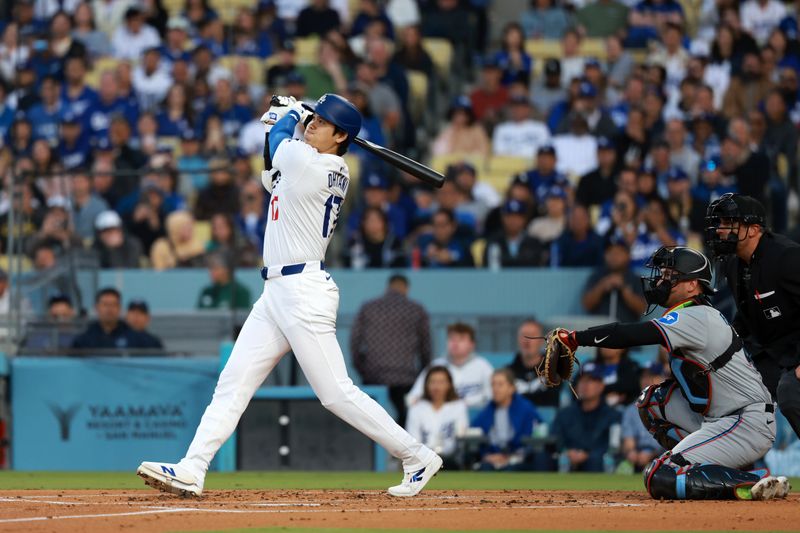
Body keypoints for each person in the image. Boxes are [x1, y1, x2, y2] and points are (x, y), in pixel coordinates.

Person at [138, 93, 443, 498]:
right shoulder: (309, 162)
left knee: (335, 393)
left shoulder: (316, 164)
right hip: (276, 293)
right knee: (232, 383)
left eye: (323, 121)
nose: (314, 123)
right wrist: (282, 120)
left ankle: (416, 455)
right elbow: (271, 167)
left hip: (303, 291)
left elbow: (283, 142)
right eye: (314, 117)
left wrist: (292, 113)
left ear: (340, 136)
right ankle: (193, 468)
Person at [549, 246, 786, 500]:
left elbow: (631, 334)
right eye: (662, 273)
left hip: (745, 422)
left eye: (672, 275)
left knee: (660, 476)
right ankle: (713, 465)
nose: (661, 280)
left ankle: (755, 481)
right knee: (652, 402)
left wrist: (576, 338)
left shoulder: (697, 316)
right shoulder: (689, 314)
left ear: (693, 285)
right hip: (721, 417)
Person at [705, 193, 800, 440]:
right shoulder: (736, 265)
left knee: (791, 395)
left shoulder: (786, 257)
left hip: (795, 350)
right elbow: (746, 318)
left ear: (754, 229)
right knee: (729, 403)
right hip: (771, 354)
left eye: (729, 223)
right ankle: (728, 473)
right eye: (720, 224)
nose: (721, 231)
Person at [350, 274, 432, 426]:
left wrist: (363, 370)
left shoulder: (368, 308)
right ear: (406, 288)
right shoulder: (416, 309)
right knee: (405, 419)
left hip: (373, 376)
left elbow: (355, 343)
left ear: (388, 286)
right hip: (405, 377)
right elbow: (425, 347)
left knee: (371, 421)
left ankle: (375, 450)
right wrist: (422, 375)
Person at [551, 363, 621, 472]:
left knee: (595, 460)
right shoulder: (564, 413)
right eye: (582, 380)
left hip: (596, 462)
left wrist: (587, 454)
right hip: (567, 459)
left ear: (601, 386)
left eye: (591, 380)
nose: (585, 385)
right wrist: (567, 451)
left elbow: (613, 445)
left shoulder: (613, 415)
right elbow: (555, 438)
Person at [407, 322, 493, 409]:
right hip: (442, 418)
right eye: (452, 339)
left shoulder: (483, 365)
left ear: (472, 345)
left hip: (476, 418)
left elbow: (492, 396)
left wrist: (466, 403)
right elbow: (411, 398)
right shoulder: (436, 366)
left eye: (461, 339)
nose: (455, 343)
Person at [471, 368, 542, 471]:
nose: (495, 389)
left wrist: (511, 457)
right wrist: (487, 456)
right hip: (493, 459)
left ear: (511, 388)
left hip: (519, 460)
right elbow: (475, 433)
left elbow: (535, 437)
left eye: (500, 384)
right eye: (493, 384)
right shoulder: (487, 411)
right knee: (484, 468)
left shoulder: (525, 408)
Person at [405, 366, 469, 470]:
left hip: (451, 461)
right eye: (432, 382)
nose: (436, 387)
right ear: (426, 385)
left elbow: (461, 436)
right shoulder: (416, 408)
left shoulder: (458, 406)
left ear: (449, 384)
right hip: (423, 462)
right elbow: (413, 440)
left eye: (441, 382)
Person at [71, 288, 161, 352]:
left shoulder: (135, 337)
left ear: (120, 308)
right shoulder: (84, 339)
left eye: (114, 305)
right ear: (96, 308)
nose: (109, 309)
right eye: (105, 304)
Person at [582, 238, 647, 323]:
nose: (613, 256)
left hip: (626, 330)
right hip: (600, 329)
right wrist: (602, 287)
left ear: (628, 255)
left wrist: (624, 289)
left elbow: (642, 309)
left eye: (618, 253)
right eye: (610, 252)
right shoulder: (597, 276)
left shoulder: (636, 279)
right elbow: (587, 305)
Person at [620, 361, 665, 472]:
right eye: (643, 376)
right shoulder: (631, 409)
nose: (646, 380)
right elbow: (628, 442)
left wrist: (652, 453)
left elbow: (675, 444)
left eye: (651, 376)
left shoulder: (671, 407)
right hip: (637, 460)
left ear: (663, 379)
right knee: (622, 468)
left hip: (664, 458)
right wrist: (631, 452)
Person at [506, 319, 562, 407]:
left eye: (532, 336)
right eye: (523, 336)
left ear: (542, 340)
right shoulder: (508, 372)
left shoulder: (555, 369)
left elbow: (553, 400)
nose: (527, 341)